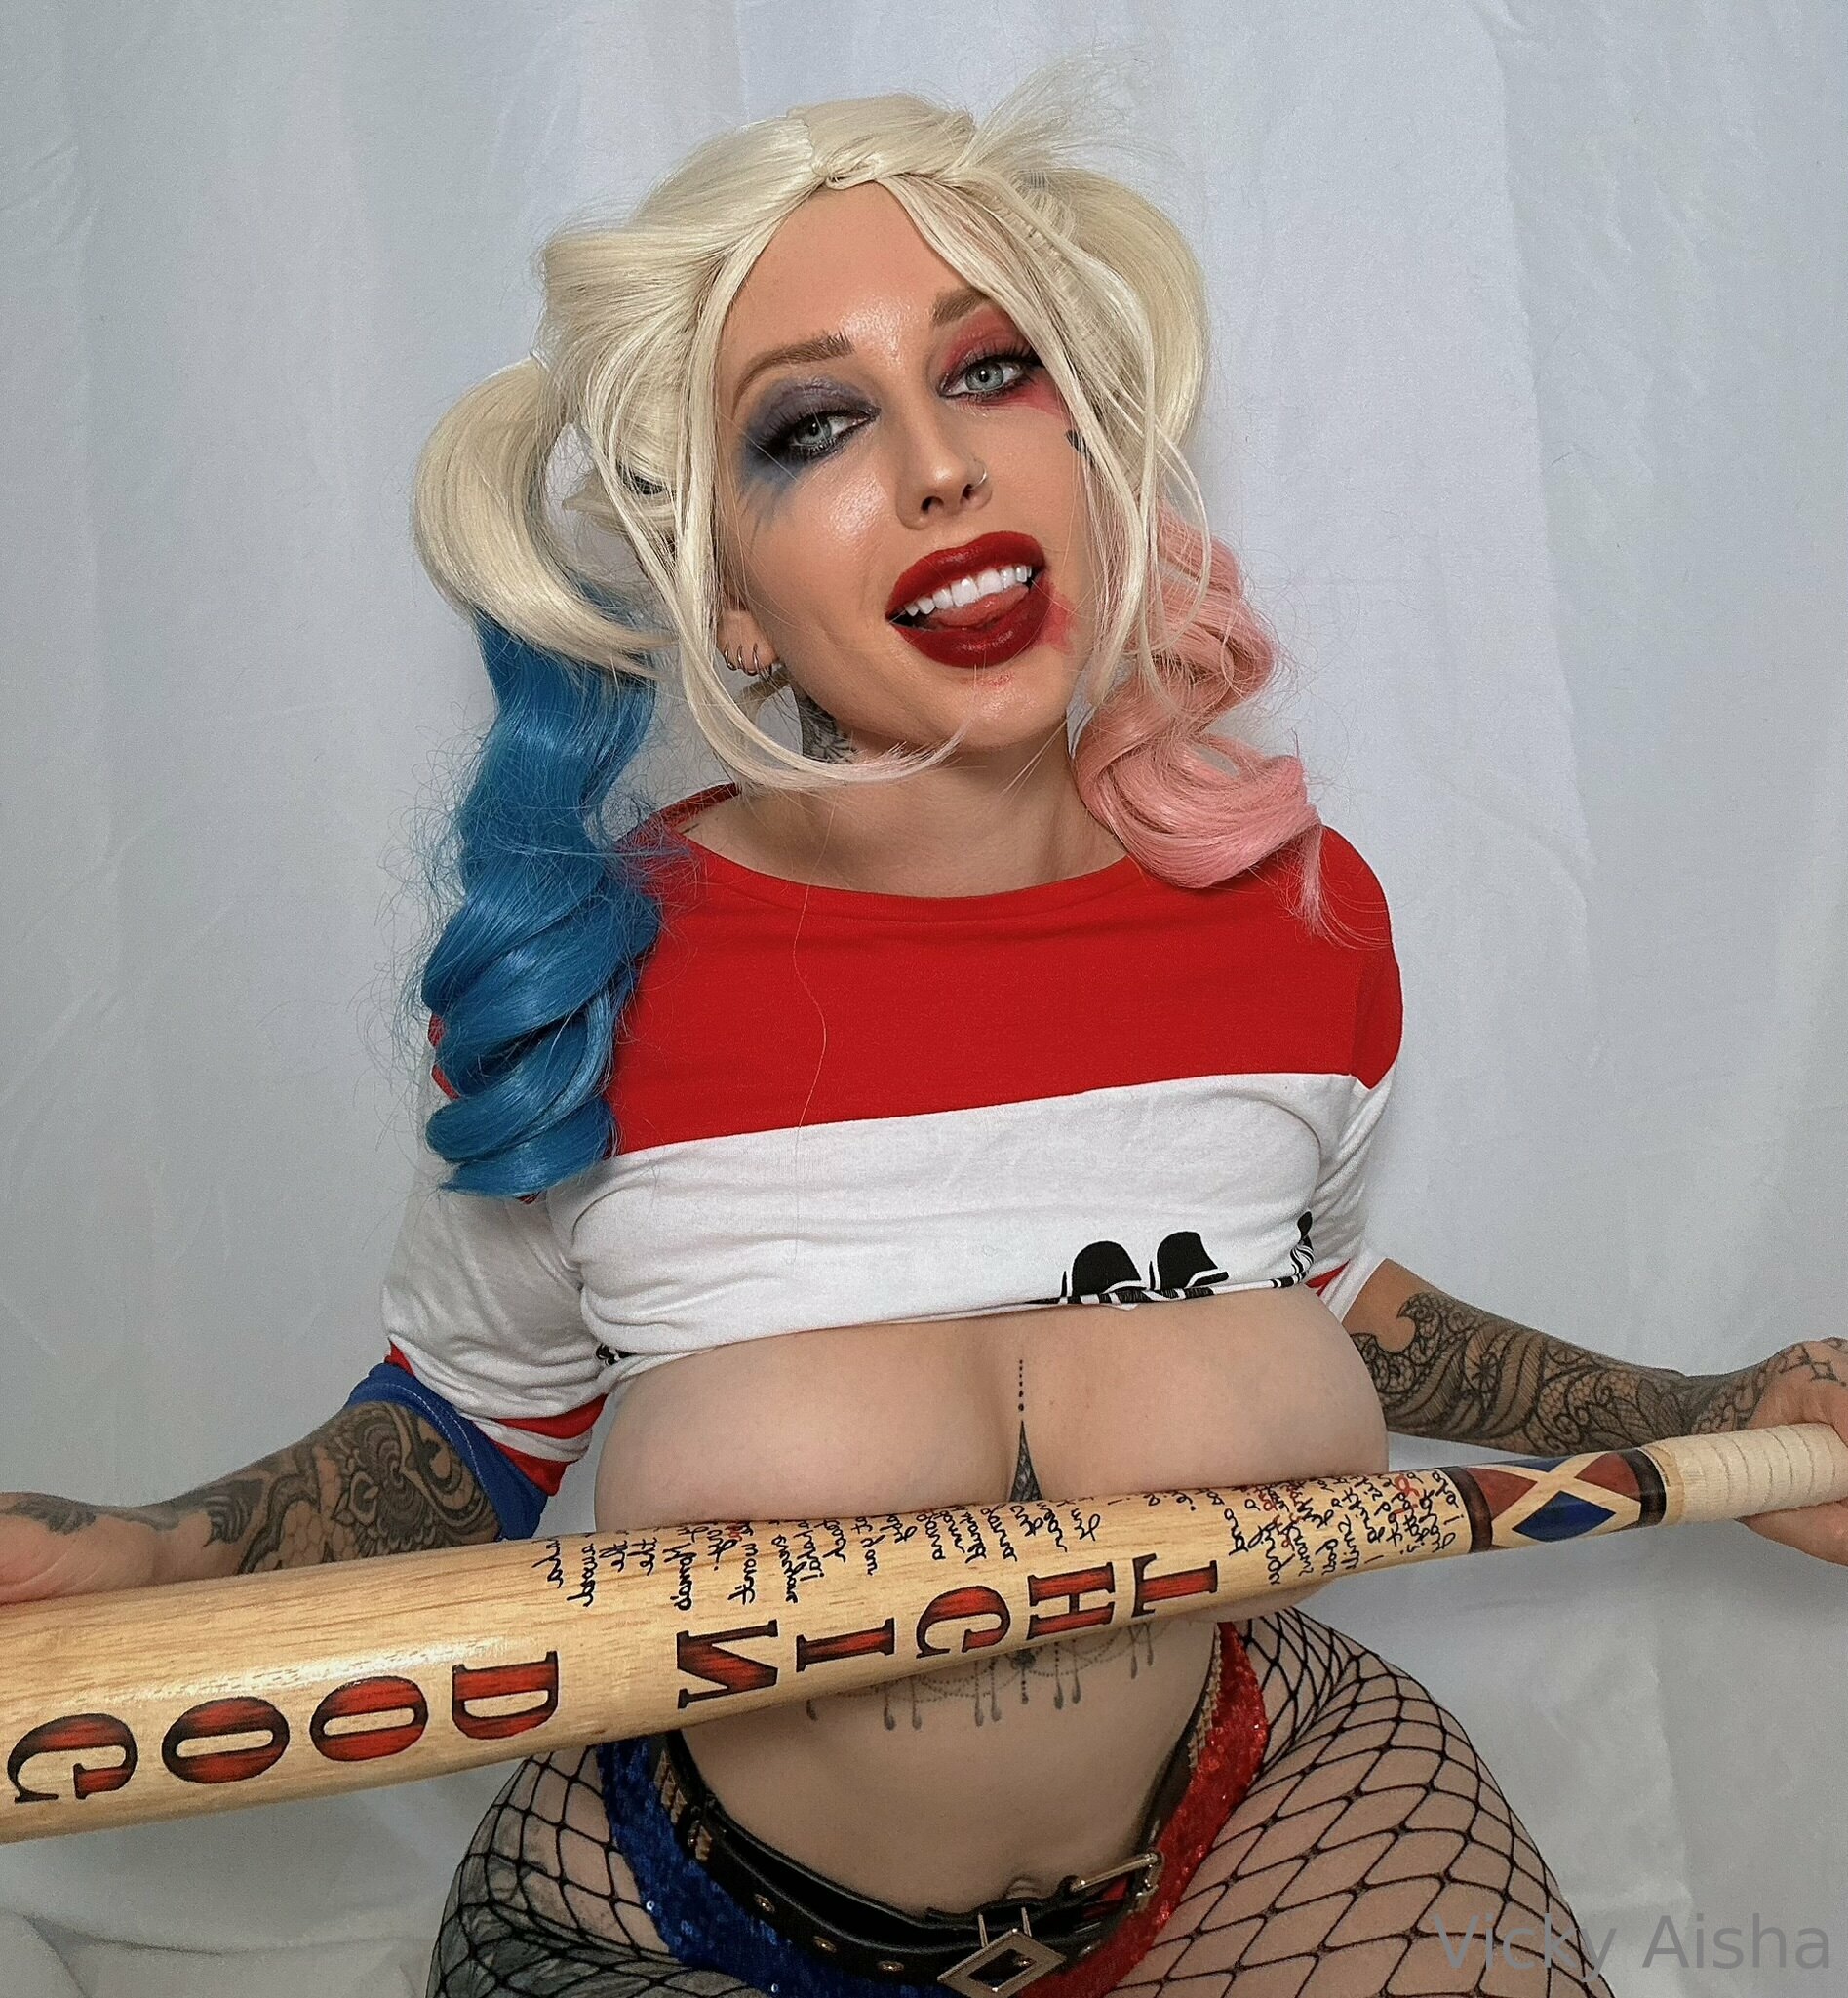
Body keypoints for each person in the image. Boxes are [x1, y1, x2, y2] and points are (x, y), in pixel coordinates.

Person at [4, 65, 1844, 1998]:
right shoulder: (586, 977)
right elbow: (470, 1422)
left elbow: (1309, 1289)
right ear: (730, 600)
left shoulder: (1300, 917)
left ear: (1094, 454)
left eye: (991, 370)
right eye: (813, 424)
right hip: (695, 1905)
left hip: (1255, 1827)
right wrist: (165, 1551)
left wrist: (1705, 1410)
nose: (942, 464)